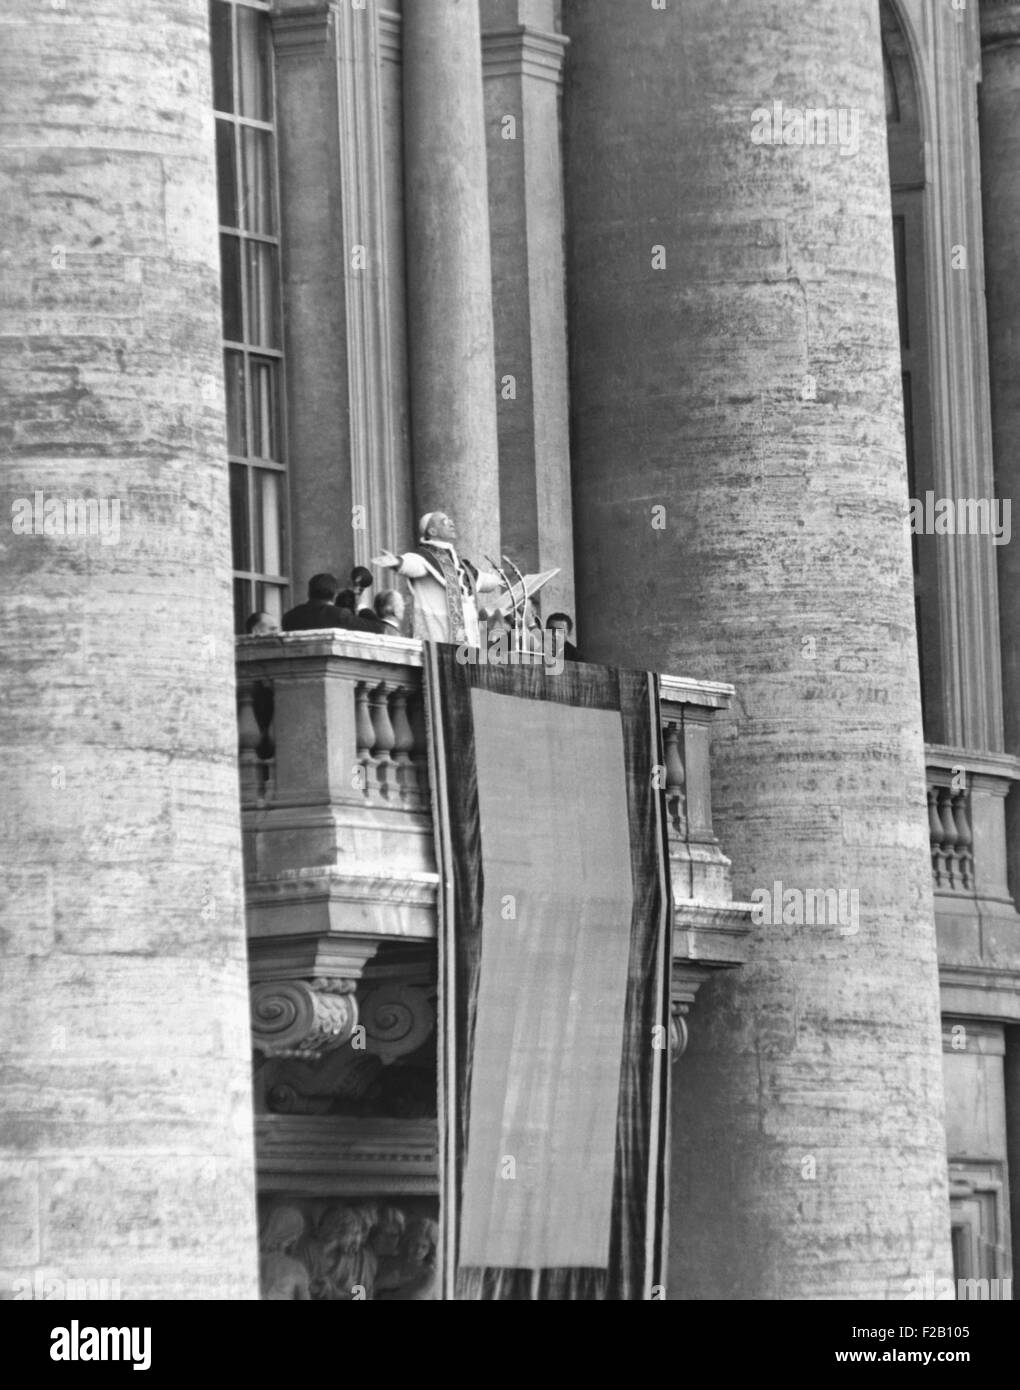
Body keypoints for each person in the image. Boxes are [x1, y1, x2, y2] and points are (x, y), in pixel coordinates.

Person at [371, 511, 504, 646]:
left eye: (450, 519)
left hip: (469, 639)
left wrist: (497, 580)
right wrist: (397, 562)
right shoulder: (426, 557)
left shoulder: (459, 563)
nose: (451, 523)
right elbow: (414, 564)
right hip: (441, 638)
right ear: (432, 531)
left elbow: (482, 580)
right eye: (444, 521)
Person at [281, 574, 375, 633]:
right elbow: (380, 629)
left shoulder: (289, 617)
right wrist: (362, 607)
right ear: (334, 596)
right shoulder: (340, 615)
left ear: (309, 593)